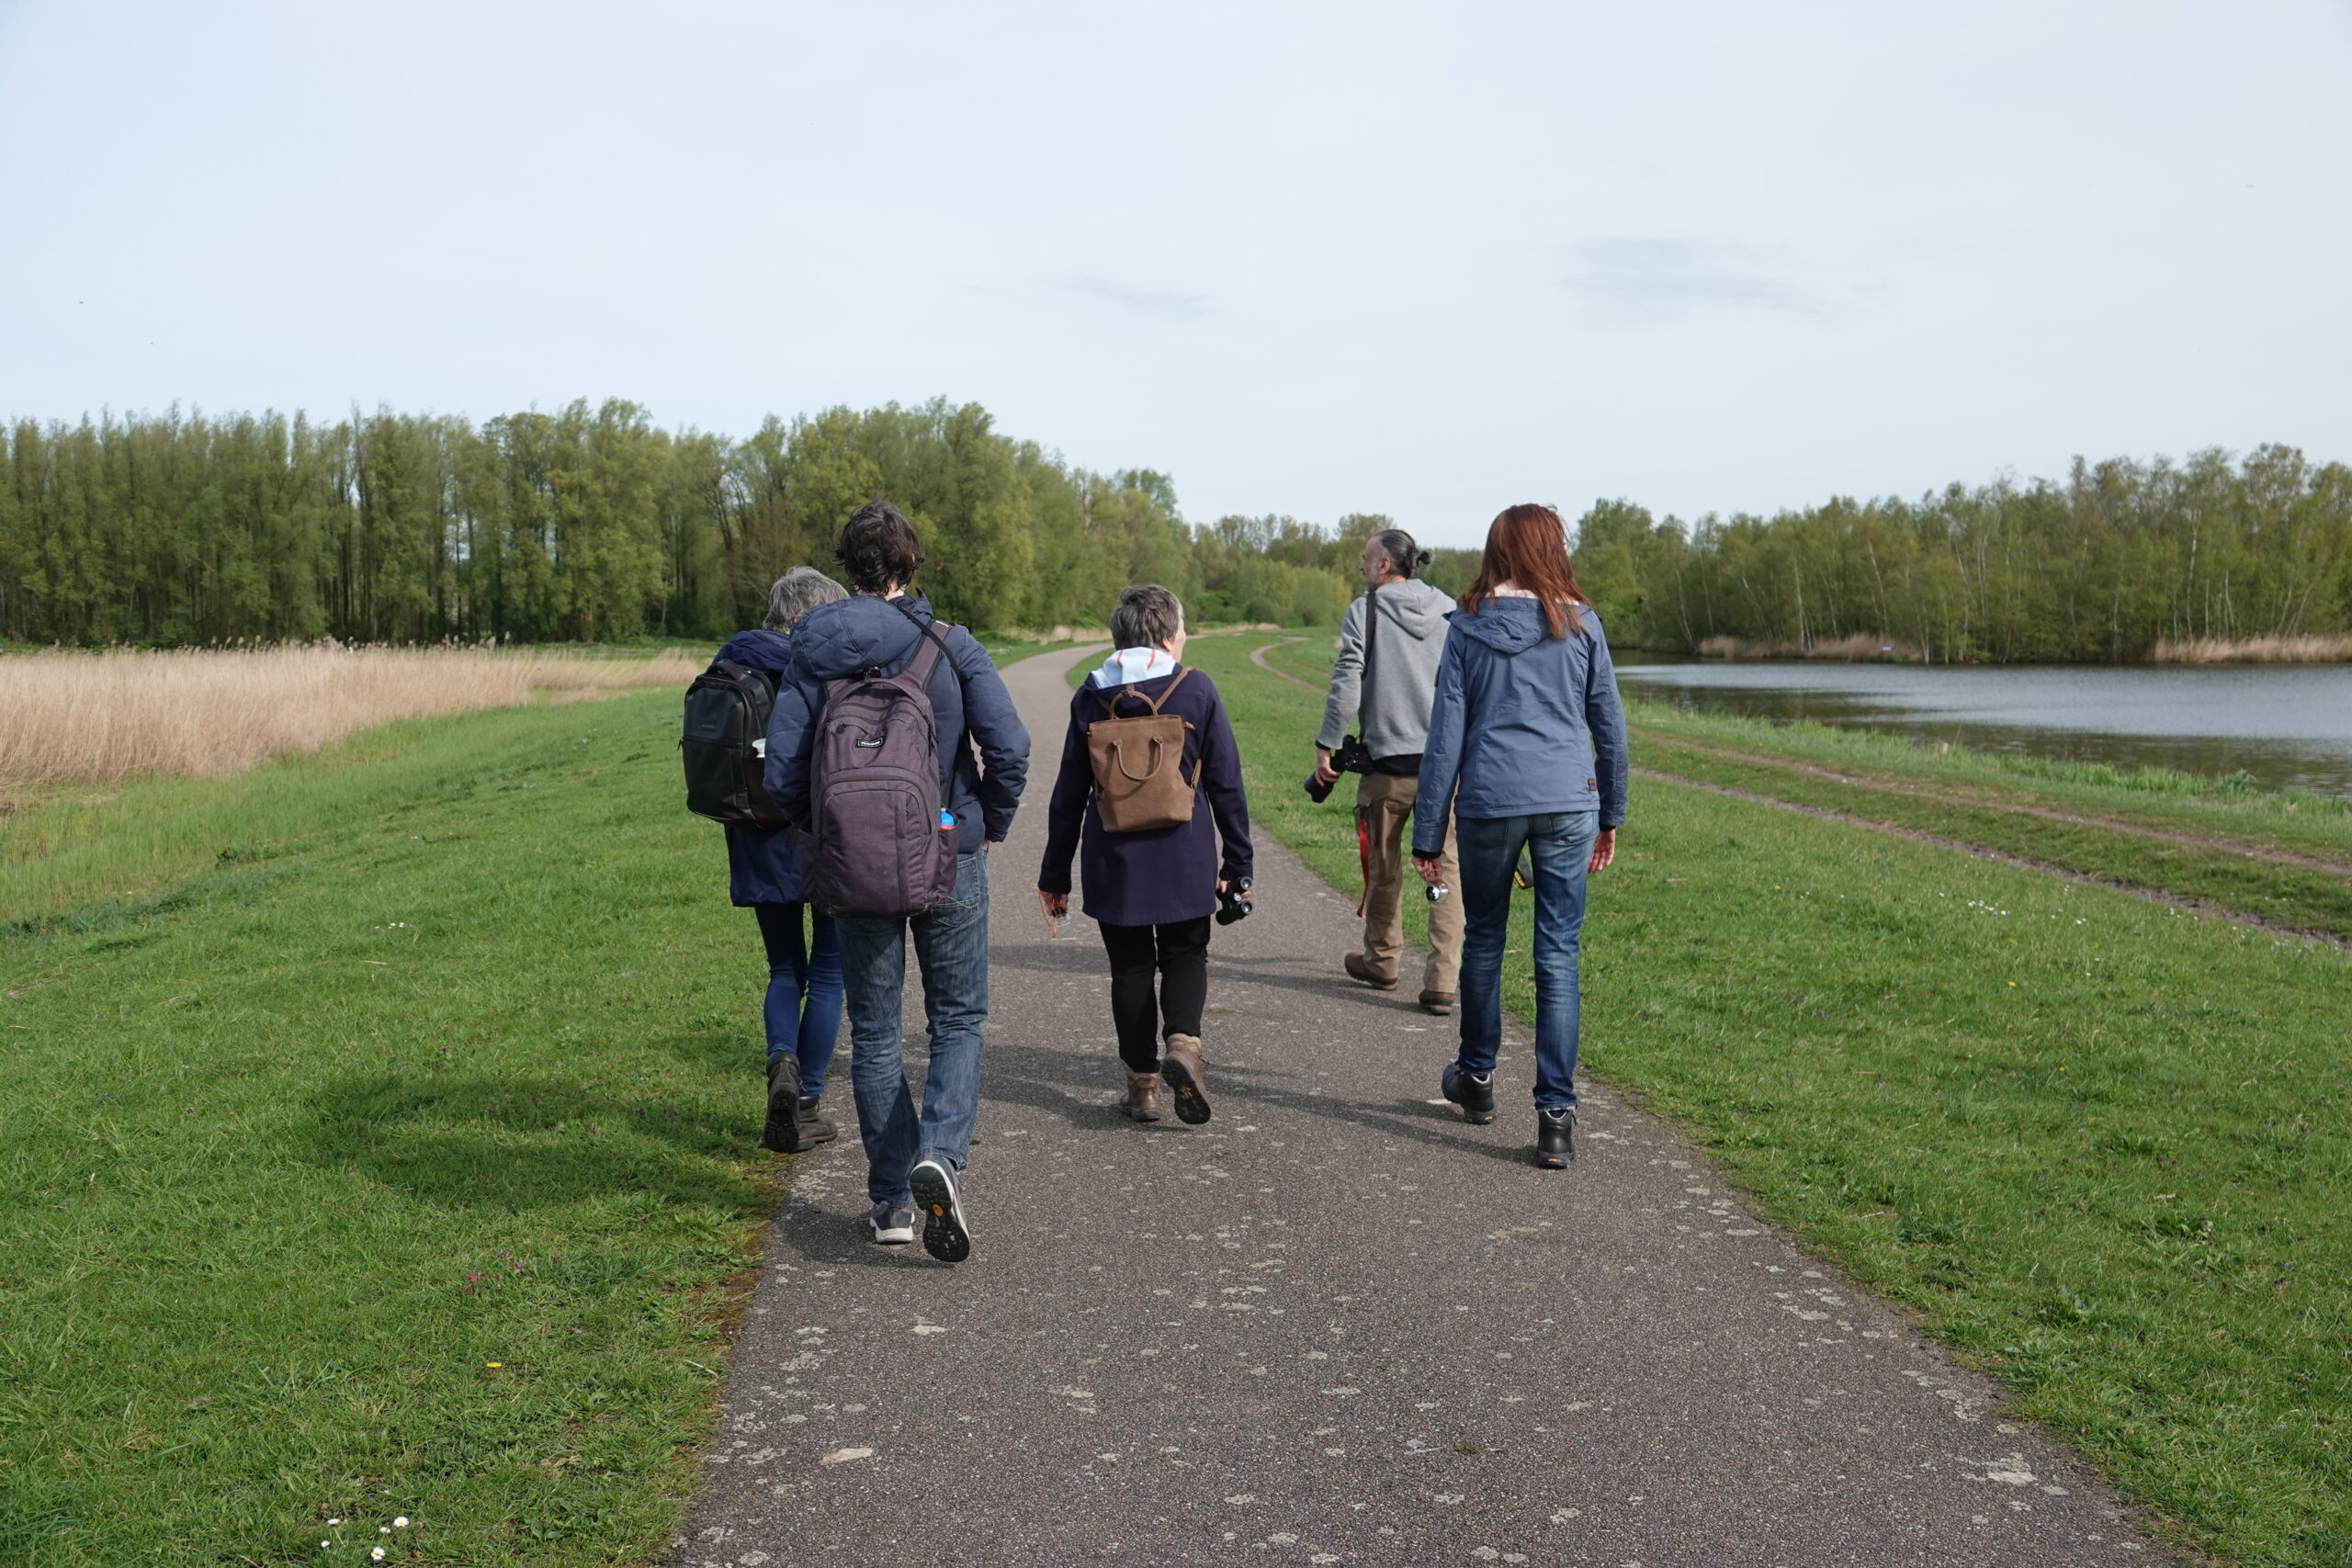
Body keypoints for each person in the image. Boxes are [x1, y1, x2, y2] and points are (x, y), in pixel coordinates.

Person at [765, 502, 1031, 1259]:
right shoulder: (951, 646)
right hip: (950, 847)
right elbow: (1010, 746)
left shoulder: (813, 647)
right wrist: (988, 822)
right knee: (957, 1018)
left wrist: (825, 828)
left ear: (849, 569)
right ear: (910, 565)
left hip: (854, 863)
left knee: (876, 1031)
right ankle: (939, 1155)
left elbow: (782, 770)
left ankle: (890, 1203)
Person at [1412, 503, 1628, 1169]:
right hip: (1568, 802)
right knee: (1557, 954)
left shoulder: (1469, 627)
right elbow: (1610, 727)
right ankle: (1555, 1116)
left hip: (1490, 800)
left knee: (1484, 938)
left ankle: (1476, 1078)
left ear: (1496, 551)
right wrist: (1611, 813)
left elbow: (1445, 734)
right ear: (1552, 549)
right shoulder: (1581, 624)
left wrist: (1428, 832)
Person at [1037, 585, 1253, 1126]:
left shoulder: (1090, 697)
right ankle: (1183, 1043)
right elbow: (1226, 782)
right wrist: (1239, 863)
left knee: (1129, 968)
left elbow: (1068, 792)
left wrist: (1054, 873)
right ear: (1165, 635)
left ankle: (1144, 1087)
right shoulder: (1196, 689)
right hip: (1184, 855)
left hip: (1115, 858)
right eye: (1181, 632)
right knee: (1186, 954)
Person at [716, 567, 850, 1156]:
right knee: (828, 972)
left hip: (754, 835)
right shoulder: (822, 668)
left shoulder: (732, 663)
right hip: (821, 835)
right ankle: (807, 1103)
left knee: (782, 970)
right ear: (813, 617)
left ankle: (781, 1066)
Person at [1313, 527, 1464, 1015]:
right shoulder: (1449, 609)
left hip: (1387, 766)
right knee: (1446, 872)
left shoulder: (1366, 610)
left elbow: (1346, 681)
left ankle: (1383, 961)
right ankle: (1442, 982)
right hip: (1445, 766)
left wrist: (1327, 745)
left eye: (1364, 559)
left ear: (1383, 566)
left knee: (1385, 867)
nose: (1359, 566)